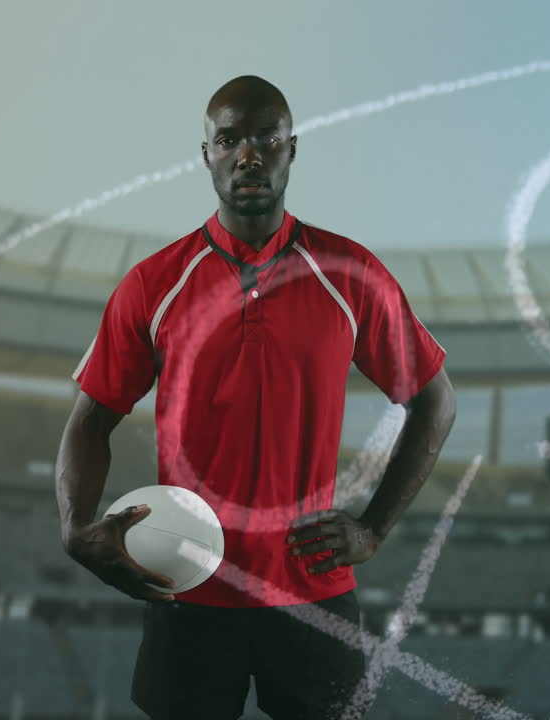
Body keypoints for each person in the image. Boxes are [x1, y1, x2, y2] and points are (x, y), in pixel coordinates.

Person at [55, 75, 456, 719]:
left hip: (312, 587)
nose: (249, 154)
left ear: (291, 150)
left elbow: (435, 400)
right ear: (206, 154)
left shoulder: (351, 275)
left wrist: (373, 528)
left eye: (267, 138)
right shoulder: (152, 284)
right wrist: (75, 527)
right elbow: (89, 420)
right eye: (229, 138)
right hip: (182, 584)